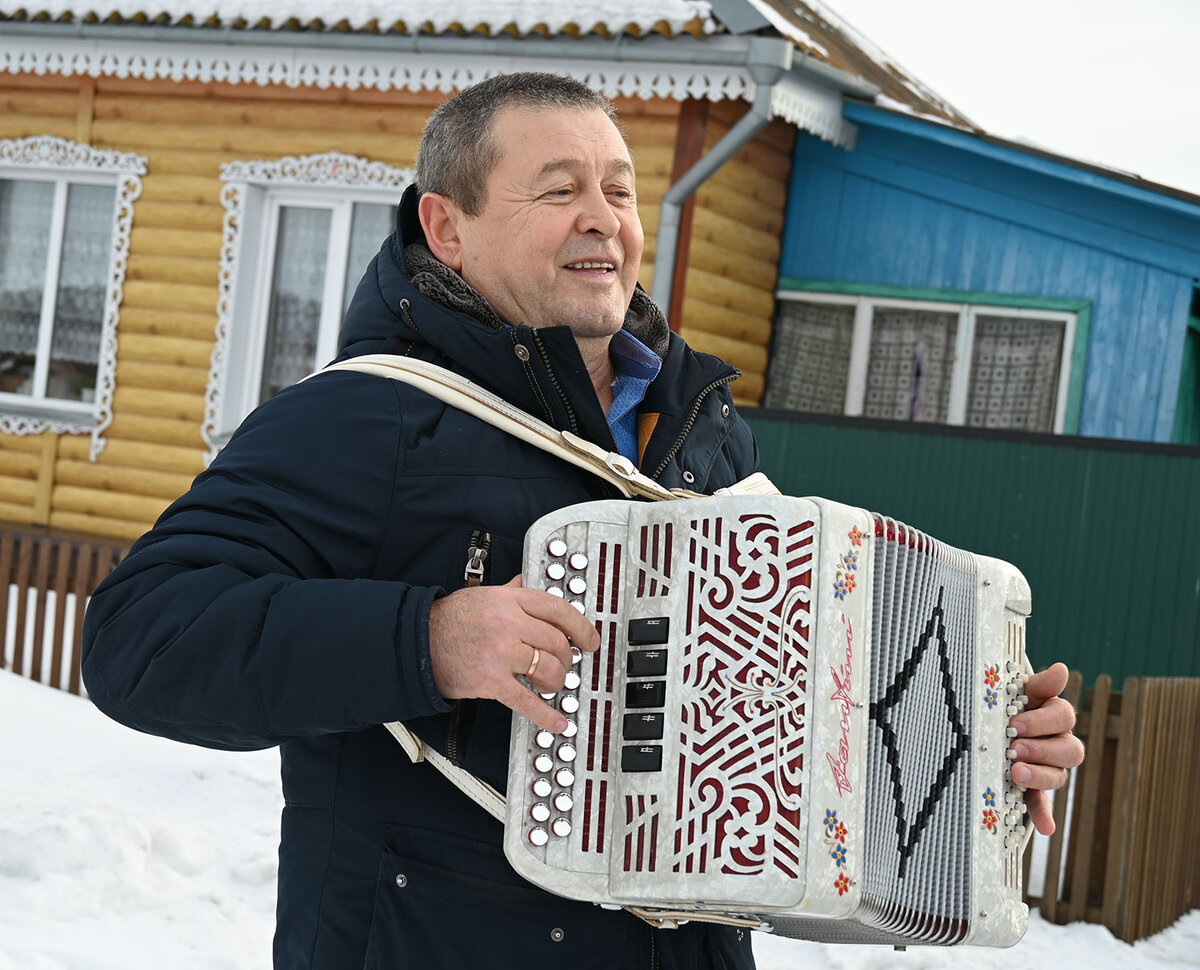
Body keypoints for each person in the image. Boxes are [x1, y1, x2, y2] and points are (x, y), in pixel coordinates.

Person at [81, 72, 1083, 969]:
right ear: (447, 227)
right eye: (559, 189)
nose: (602, 216)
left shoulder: (696, 433)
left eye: (618, 188)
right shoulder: (365, 418)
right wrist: (425, 639)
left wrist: (979, 741)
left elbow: (799, 730)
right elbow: (140, 638)